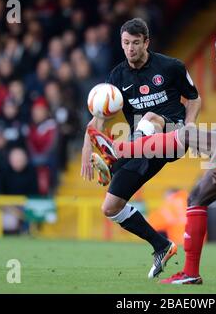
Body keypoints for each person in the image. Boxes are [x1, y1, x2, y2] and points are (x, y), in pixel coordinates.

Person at [91, 31, 216, 284]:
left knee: (196, 195)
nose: (215, 59)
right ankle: (118, 152)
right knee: (186, 136)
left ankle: (191, 274)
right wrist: (205, 136)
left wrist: (215, 157)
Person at [81, 18, 201, 279]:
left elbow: (194, 98)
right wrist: (86, 153)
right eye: (126, 43)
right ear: (121, 43)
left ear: (147, 42)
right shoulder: (117, 76)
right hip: (144, 148)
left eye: (136, 43)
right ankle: (161, 245)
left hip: (173, 136)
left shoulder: (171, 67)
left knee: (149, 117)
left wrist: (189, 126)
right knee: (110, 207)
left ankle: (115, 158)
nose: (131, 48)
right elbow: (98, 118)